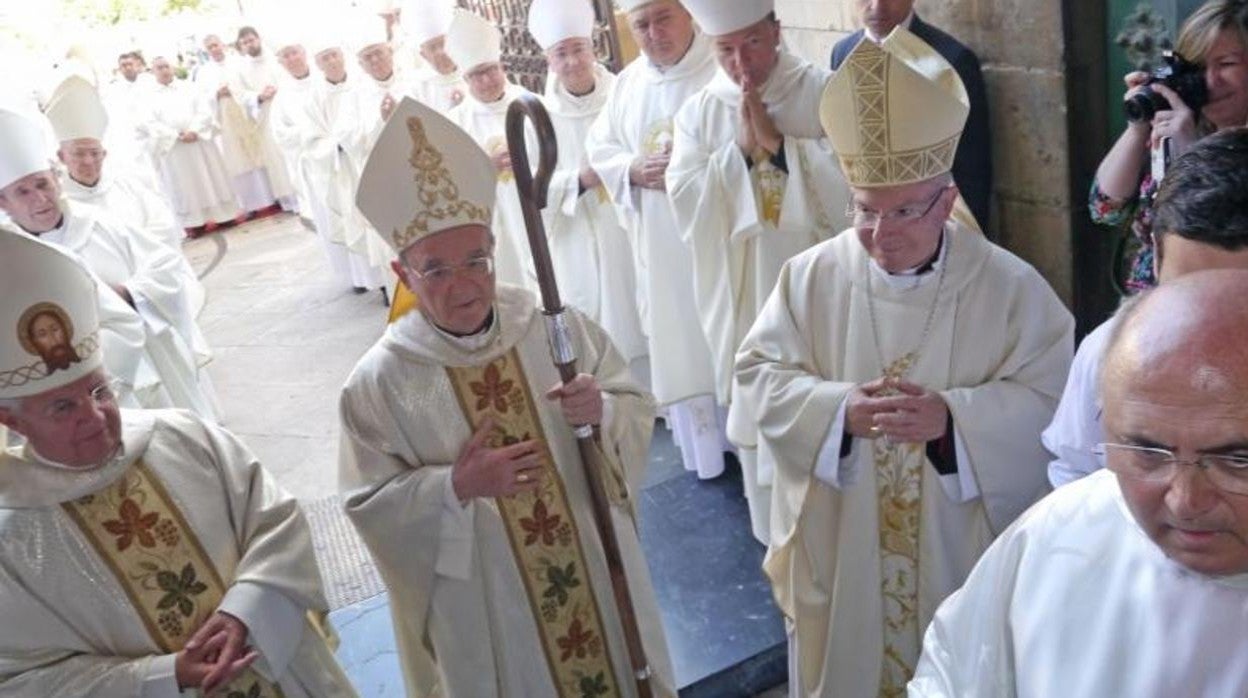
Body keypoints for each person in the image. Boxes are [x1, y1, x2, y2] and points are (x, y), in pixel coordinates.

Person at [733, 29, 1073, 696]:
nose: (880, 237)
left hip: (956, 550)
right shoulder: (810, 279)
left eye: (903, 212)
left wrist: (953, 422)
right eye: (864, 212)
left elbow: (1051, 399)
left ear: (947, 203)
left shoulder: (1010, 287)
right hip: (848, 541)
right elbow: (757, 376)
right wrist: (835, 412)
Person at [341, 96, 675, 697]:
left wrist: (602, 409)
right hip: (489, 601)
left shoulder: (550, 324)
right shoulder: (381, 381)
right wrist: (454, 487)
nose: (465, 285)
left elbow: (631, 400)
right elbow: (369, 505)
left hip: (594, 566)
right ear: (402, 274)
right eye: (436, 270)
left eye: (477, 261)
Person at [0, 230, 359, 698]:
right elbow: (23, 679)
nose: (95, 417)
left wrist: (244, 611)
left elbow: (276, 520)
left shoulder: (182, 436)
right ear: (13, 421)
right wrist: (163, 677)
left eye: (99, 391)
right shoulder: (14, 538)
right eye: (62, 408)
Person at [911, 269, 1248, 697]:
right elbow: (953, 677)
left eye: (1237, 460)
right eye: (1148, 452)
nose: (1185, 502)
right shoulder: (1059, 533)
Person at [669, 0, 847, 543]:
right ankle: (776, 535)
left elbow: (860, 180)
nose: (740, 63)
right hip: (746, 292)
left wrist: (784, 150)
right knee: (763, 406)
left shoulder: (825, 91)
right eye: (725, 49)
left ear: (776, 30)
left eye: (751, 43)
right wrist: (739, 159)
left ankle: (835, 526)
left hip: (821, 289)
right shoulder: (700, 112)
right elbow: (683, 196)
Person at [1045, 128, 1248, 487]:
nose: (1211, 322)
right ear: (1155, 258)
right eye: (1187, 293)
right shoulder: (1111, 353)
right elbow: (1076, 471)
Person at [2, 105, 223, 422]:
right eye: (22, 192)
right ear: (3, 203)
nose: (40, 199)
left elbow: (166, 265)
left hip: (153, 360)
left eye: (42, 184)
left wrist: (128, 293)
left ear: (57, 180)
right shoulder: (14, 259)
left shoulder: (101, 224)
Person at [585, 0, 728, 480]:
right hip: (662, 247)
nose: (652, 33)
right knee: (681, 338)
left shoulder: (720, 67)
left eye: (662, 18)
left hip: (717, 238)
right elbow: (600, 146)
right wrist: (630, 169)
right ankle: (705, 452)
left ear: (688, 14)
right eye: (641, 24)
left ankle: (743, 443)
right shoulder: (628, 84)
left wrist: (692, 170)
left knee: (724, 334)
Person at [1091, 0, 1248, 293]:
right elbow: (1104, 208)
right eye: (1198, 67)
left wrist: (1192, 157)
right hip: (1149, 309)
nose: (1210, 81)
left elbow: (1220, 235)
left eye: (1226, 64)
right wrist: (1139, 126)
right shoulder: (1177, 126)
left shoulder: (1191, 140)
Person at [526, 0, 647, 377]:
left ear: (594, 48)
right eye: (561, 54)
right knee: (597, 319)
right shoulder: (538, 119)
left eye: (578, 49)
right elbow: (532, 193)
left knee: (637, 304)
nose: (573, 61)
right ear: (549, 61)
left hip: (627, 225)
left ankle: (655, 397)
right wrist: (578, 181)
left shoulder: (624, 95)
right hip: (575, 236)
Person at [830, 0, 993, 232]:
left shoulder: (952, 58)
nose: (877, 6)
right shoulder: (842, 52)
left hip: (930, 219)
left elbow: (972, 165)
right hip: (865, 218)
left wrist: (968, 237)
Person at [445, 8, 539, 293]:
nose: (486, 81)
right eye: (476, 75)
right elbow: (448, 185)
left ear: (502, 67)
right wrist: (484, 167)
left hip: (537, 214)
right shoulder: (455, 123)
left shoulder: (533, 105)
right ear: (466, 80)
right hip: (493, 226)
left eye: (490, 70)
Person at [46, 76, 191, 256]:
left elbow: (163, 226)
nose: (88, 161)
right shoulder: (56, 203)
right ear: (61, 157)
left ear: (104, 154)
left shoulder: (128, 186)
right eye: (78, 153)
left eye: (94, 153)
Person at [300, 32, 391, 296]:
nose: (331, 61)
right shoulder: (314, 98)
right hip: (343, 167)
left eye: (334, 55)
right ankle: (376, 280)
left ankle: (388, 279)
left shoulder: (362, 87)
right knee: (363, 224)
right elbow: (312, 139)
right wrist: (337, 146)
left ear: (344, 57)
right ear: (318, 64)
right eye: (324, 58)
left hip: (371, 163)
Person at [140, 54, 242, 234]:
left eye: (166, 66)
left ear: (172, 68)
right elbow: (149, 123)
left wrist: (194, 129)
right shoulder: (147, 97)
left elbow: (204, 109)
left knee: (210, 177)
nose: (163, 70)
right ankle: (195, 223)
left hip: (198, 141)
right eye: (159, 68)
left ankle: (224, 215)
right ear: (153, 72)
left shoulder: (190, 88)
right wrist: (175, 135)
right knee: (184, 185)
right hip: (174, 146)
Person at [227, 26, 298, 215]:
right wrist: (258, 96)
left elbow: (292, 78)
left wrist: (279, 90)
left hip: (289, 110)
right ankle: (289, 200)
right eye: (244, 42)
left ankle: (303, 193)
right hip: (265, 117)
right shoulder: (240, 69)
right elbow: (240, 95)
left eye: (251, 40)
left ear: (258, 38)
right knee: (276, 158)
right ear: (240, 46)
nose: (249, 44)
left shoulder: (277, 60)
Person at [269, 32, 319, 227]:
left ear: (304, 53)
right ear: (281, 63)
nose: (291, 59)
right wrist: (309, 132)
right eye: (286, 56)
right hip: (309, 164)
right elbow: (280, 134)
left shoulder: (325, 82)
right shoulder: (283, 96)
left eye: (294, 53)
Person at [101, 50, 162, 192]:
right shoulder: (115, 90)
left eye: (130, 64)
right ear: (119, 69)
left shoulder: (151, 82)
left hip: (157, 133)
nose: (127, 67)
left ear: (137, 65)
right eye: (123, 65)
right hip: (134, 139)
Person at [400, 0, 466, 114]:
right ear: (423, 55)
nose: (441, 52)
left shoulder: (474, 73)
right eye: (432, 47)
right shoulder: (417, 89)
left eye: (444, 43)